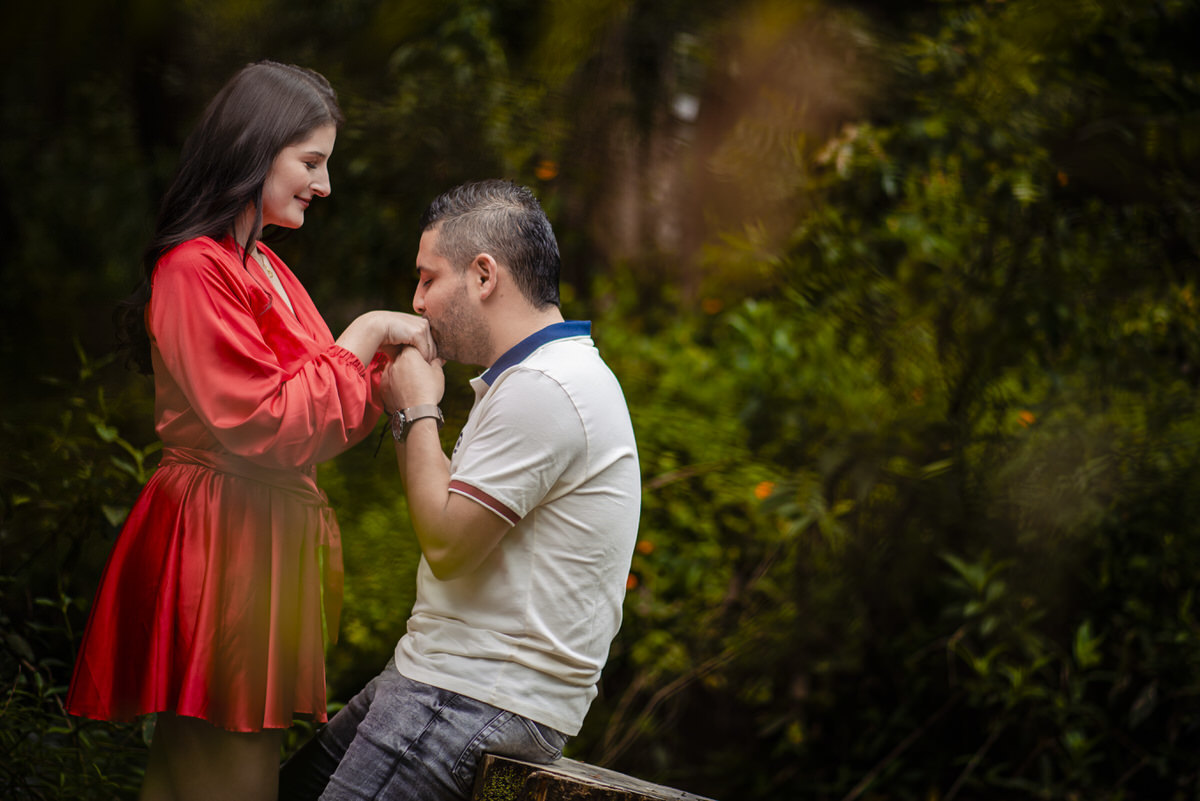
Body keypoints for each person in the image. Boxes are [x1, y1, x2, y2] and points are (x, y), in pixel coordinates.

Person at [65, 61, 435, 801]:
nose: (324, 186)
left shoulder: (265, 265)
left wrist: (398, 374)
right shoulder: (193, 269)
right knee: (230, 783)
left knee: (187, 782)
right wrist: (364, 332)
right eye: (311, 162)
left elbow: (322, 412)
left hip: (260, 533)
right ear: (253, 149)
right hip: (225, 539)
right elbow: (266, 422)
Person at [278, 180, 642, 800]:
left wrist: (415, 410)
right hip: (445, 678)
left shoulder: (548, 387)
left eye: (427, 279)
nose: (417, 302)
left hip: (475, 694)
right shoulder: (535, 377)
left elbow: (447, 546)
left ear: (483, 276)